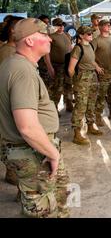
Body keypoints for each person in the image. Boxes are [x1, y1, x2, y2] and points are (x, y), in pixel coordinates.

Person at [0, 18, 70, 218]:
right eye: (44, 35)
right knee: (42, 208)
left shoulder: (14, 63)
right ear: (29, 41)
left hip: (31, 149)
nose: (50, 39)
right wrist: (53, 154)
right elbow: (27, 127)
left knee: (59, 194)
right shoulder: (22, 71)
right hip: (32, 152)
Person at [68, 26, 103, 145]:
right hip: (82, 78)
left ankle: (90, 125)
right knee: (81, 105)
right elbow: (71, 69)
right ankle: (77, 133)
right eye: (88, 34)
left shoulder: (90, 46)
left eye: (91, 33)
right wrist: (76, 81)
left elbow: (91, 59)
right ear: (81, 35)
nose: (91, 35)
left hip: (92, 76)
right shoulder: (78, 48)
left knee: (91, 103)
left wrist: (96, 67)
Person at [0, 16, 23, 186]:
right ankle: (11, 171)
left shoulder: (13, 51)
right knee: (10, 138)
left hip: (14, 101)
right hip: (9, 103)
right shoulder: (7, 52)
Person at [91, 19, 111, 126]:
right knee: (101, 96)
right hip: (104, 73)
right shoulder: (96, 41)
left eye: (108, 25)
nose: (108, 26)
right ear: (100, 27)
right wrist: (96, 67)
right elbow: (89, 55)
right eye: (105, 25)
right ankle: (98, 116)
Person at [46, 18, 73, 113]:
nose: (61, 27)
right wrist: (49, 67)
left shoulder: (67, 35)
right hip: (57, 66)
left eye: (62, 25)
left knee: (69, 86)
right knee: (57, 88)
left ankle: (69, 104)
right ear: (54, 26)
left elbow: (70, 49)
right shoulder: (51, 37)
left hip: (67, 65)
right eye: (58, 25)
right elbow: (46, 53)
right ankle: (54, 109)